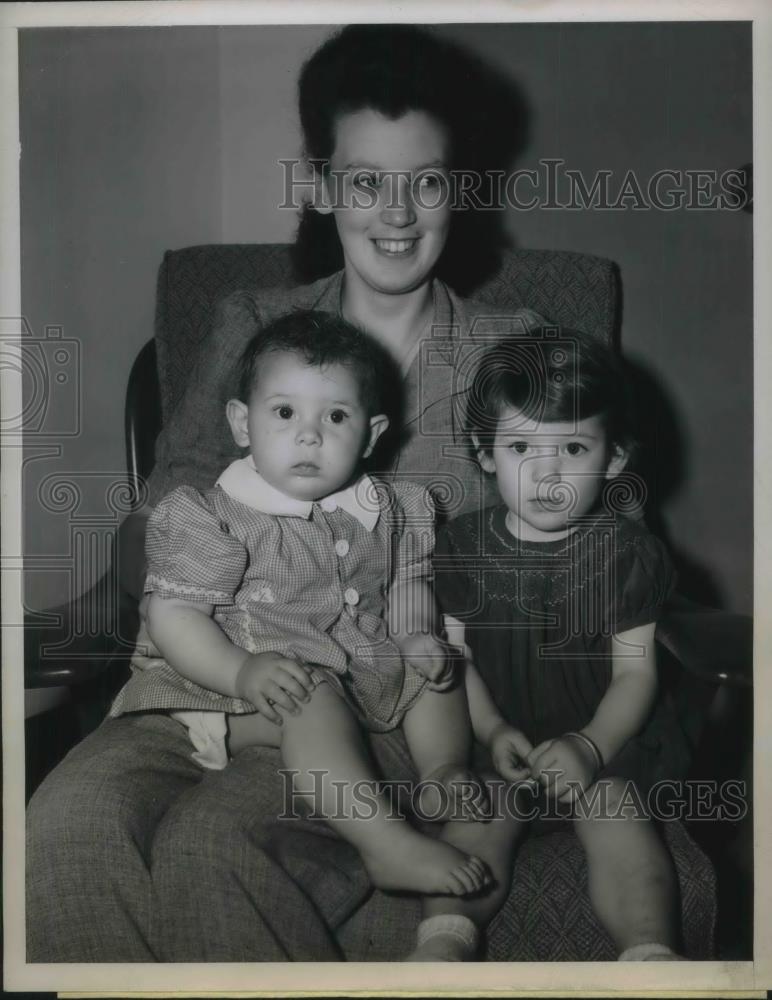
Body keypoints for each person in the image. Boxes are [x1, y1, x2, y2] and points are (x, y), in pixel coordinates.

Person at [27, 24, 533, 962]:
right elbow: (158, 535)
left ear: (457, 189)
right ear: (323, 186)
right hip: (206, 676)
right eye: (363, 179)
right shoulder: (252, 326)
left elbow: (541, 561)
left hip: (392, 710)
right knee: (63, 830)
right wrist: (241, 631)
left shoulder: (514, 347)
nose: (395, 211)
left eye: (424, 180)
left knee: (211, 850)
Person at [114, 309, 491, 896]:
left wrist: (416, 633)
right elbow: (172, 614)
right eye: (284, 412)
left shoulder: (397, 508)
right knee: (311, 697)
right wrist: (241, 671)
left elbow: (409, 585)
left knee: (438, 669)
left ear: (370, 434)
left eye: (336, 416)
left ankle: (443, 768)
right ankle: (383, 843)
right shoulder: (212, 515)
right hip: (241, 687)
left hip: (361, 671)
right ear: (243, 423)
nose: (309, 434)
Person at [435, 332, 692, 961]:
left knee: (617, 818)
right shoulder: (462, 549)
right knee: (475, 816)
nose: (544, 473)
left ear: (613, 458)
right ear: (484, 451)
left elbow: (636, 677)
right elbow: (457, 660)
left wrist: (589, 745)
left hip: (606, 743)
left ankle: (650, 957)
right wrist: (492, 729)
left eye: (572, 448)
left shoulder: (628, 556)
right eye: (520, 446)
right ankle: (442, 944)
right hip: (499, 741)